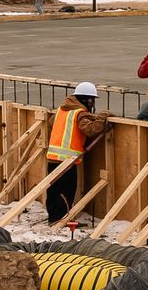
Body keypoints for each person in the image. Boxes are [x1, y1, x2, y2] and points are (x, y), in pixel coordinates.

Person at [45, 82, 106, 220]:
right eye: (92, 100)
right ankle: (61, 218)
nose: (92, 104)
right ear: (87, 99)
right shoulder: (80, 114)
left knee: (53, 190)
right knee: (66, 191)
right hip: (67, 161)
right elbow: (91, 130)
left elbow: (51, 123)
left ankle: (53, 217)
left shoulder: (62, 110)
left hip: (53, 158)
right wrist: (102, 117)